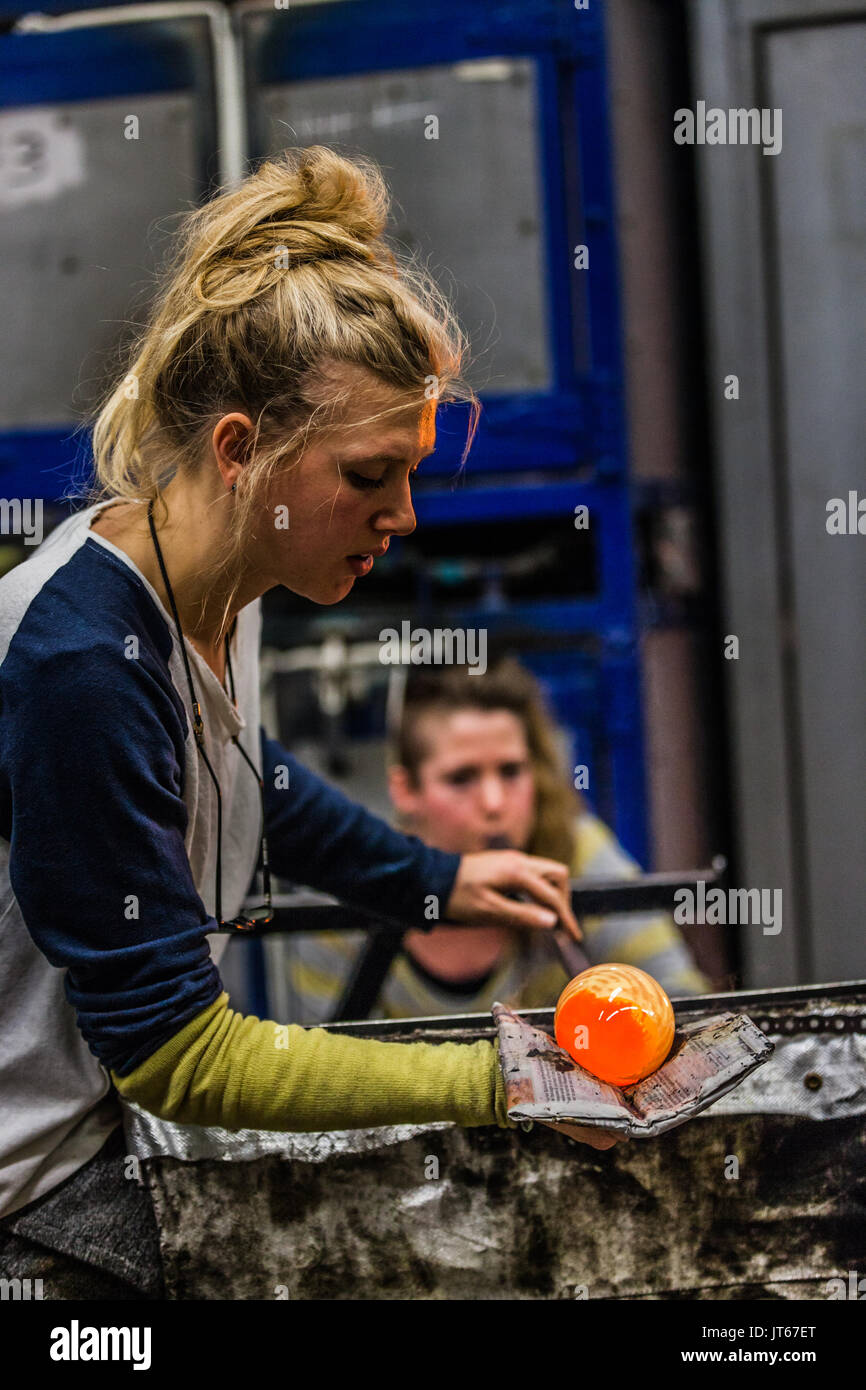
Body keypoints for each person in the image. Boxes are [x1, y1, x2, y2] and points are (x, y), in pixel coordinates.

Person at [0, 147, 623, 1301]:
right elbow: (185, 1056)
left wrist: (432, 877)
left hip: (87, 1138)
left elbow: (237, 777)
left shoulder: (201, 578)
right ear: (241, 452)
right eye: (372, 473)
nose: (404, 514)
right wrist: (506, 1078)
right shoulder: (79, 661)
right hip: (29, 1200)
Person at [285, 660, 711, 1022]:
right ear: (405, 790)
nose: (493, 803)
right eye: (461, 777)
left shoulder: (573, 854)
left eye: (511, 771)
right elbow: (326, 1080)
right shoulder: (349, 884)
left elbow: (679, 1005)